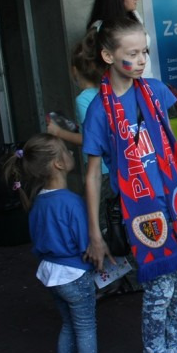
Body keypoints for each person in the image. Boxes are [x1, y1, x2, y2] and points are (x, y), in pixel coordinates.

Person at [82, 18, 177, 353]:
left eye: (145, 52)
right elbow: (92, 175)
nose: (142, 60)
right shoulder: (99, 110)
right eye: (133, 53)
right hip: (142, 213)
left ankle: (173, 346)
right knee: (161, 289)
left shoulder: (155, 91)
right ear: (108, 55)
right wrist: (95, 234)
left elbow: (171, 147)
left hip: (174, 203)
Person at [4, 134, 111, 353]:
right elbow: (86, 245)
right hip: (75, 274)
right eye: (66, 150)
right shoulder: (72, 202)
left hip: (51, 275)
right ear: (58, 164)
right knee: (85, 325)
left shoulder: (37, 200)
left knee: (68, 323)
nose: (71, 153)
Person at [46, 42, 144, 295]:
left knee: (106, 227)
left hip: (103, 173)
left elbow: (91, 140)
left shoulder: (85, 99)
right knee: (124, 223)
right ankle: (133, 276)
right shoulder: (111, 92)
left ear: (74, 70)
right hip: (122, 170)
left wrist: (59, 133)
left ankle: (120, 280)